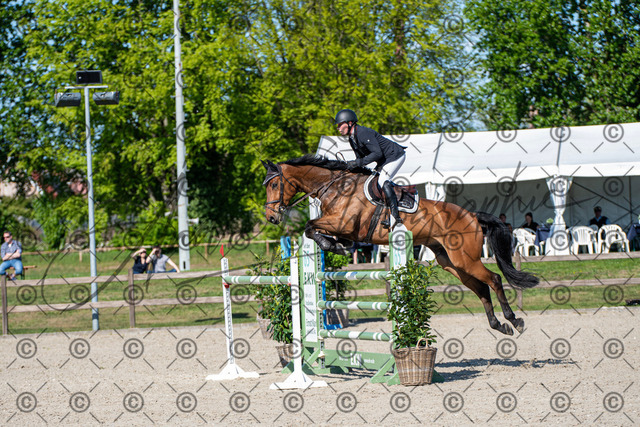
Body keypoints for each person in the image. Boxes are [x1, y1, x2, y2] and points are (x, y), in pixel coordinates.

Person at [335, 108, 406, 228]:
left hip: (395, 155)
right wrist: (350, 167)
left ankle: (395, 217)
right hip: (384, 160)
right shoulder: (352, 139)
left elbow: (377, 153)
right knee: (372, 181)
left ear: (350, 123)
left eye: (340, 124)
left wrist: (357, 162)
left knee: (383, 181)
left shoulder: (362, 132)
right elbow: (360, 159)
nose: (338, 128)